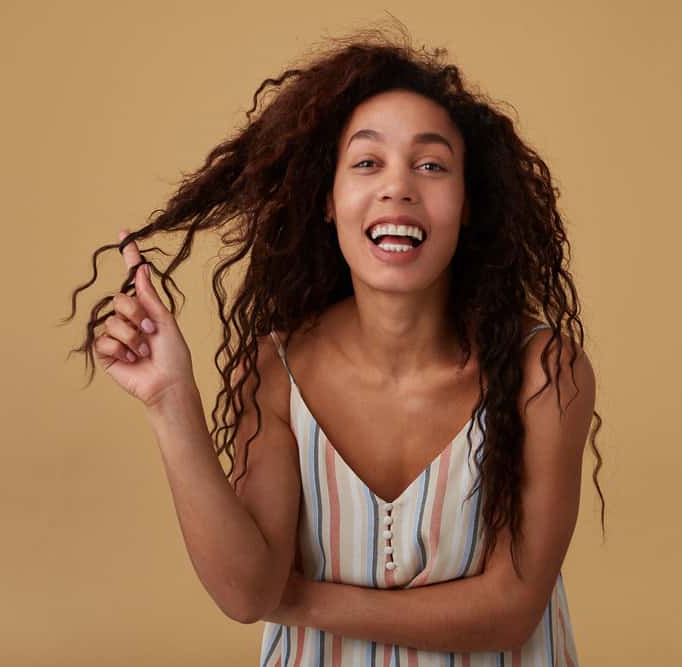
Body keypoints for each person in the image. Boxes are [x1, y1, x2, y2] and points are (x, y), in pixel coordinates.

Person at [64, 22, 603, 666]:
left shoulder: (544, 371)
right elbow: (244, 591)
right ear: (328, 200)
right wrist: (169, 399)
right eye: (367, 162)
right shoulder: (273, 370)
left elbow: (512, 609)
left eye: (431, 165)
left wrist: (296, 601)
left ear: (470, 204)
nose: (398, 186)